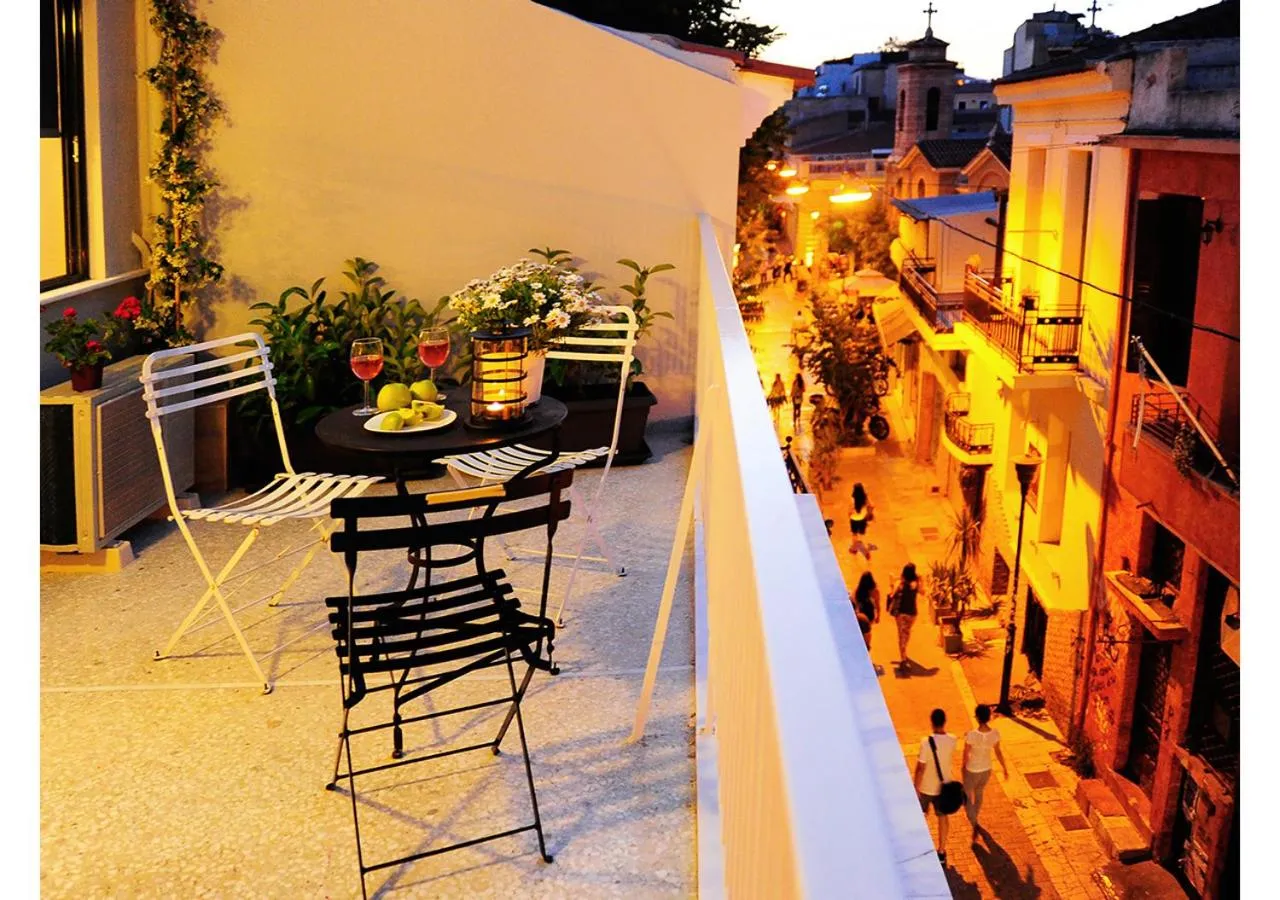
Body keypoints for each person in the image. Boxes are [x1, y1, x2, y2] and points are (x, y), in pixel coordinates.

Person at [915, 708, 959, 863]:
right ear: (944, 721)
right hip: (943, 788)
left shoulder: (925, 742)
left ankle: (920, 848)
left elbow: (921, 768)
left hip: (926, 787)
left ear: (932, 722)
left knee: (920, 817)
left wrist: (916, 787)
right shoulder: (953, 739)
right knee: (942, 818)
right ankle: (941, 850)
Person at [963, 704, 1009, 843]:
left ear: (977, 717)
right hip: (986, 769)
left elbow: (966, 754)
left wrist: (962, 768)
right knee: (979, 794)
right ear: (989, 717)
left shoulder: (971, 735)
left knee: (966, 797)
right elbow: (998, 752)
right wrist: (1004, 768)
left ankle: (974, 822)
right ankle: (975, 818)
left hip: (972, 769)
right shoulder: (995, 734)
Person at [888, 562, 921, 666]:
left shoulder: (900, 583)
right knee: (906, 633)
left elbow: (892, 595)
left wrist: (892, 583)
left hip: (901, 613)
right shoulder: (916, 583)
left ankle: (903, 656)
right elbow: (923, 591)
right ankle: (904, 653)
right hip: (912, 613)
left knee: (901, 635)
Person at [851, 571, 880, 651]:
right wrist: (878, 615)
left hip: (861, 611)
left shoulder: (858, 589)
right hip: (870, 614)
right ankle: (865, 644)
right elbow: (877, 604)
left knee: (861, 629)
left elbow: (854, 600)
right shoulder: (875, 590)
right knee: (867, 629)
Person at [848, 482, 874, 559]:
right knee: (862, 534)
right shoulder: (865, 497)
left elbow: (850, 510)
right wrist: (869, 513)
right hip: (863, 518)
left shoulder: (852, 499)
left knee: (854, 534)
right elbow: (872, 505)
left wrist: (849, 515)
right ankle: (858, 548)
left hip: (854, 518)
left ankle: (855, 549)